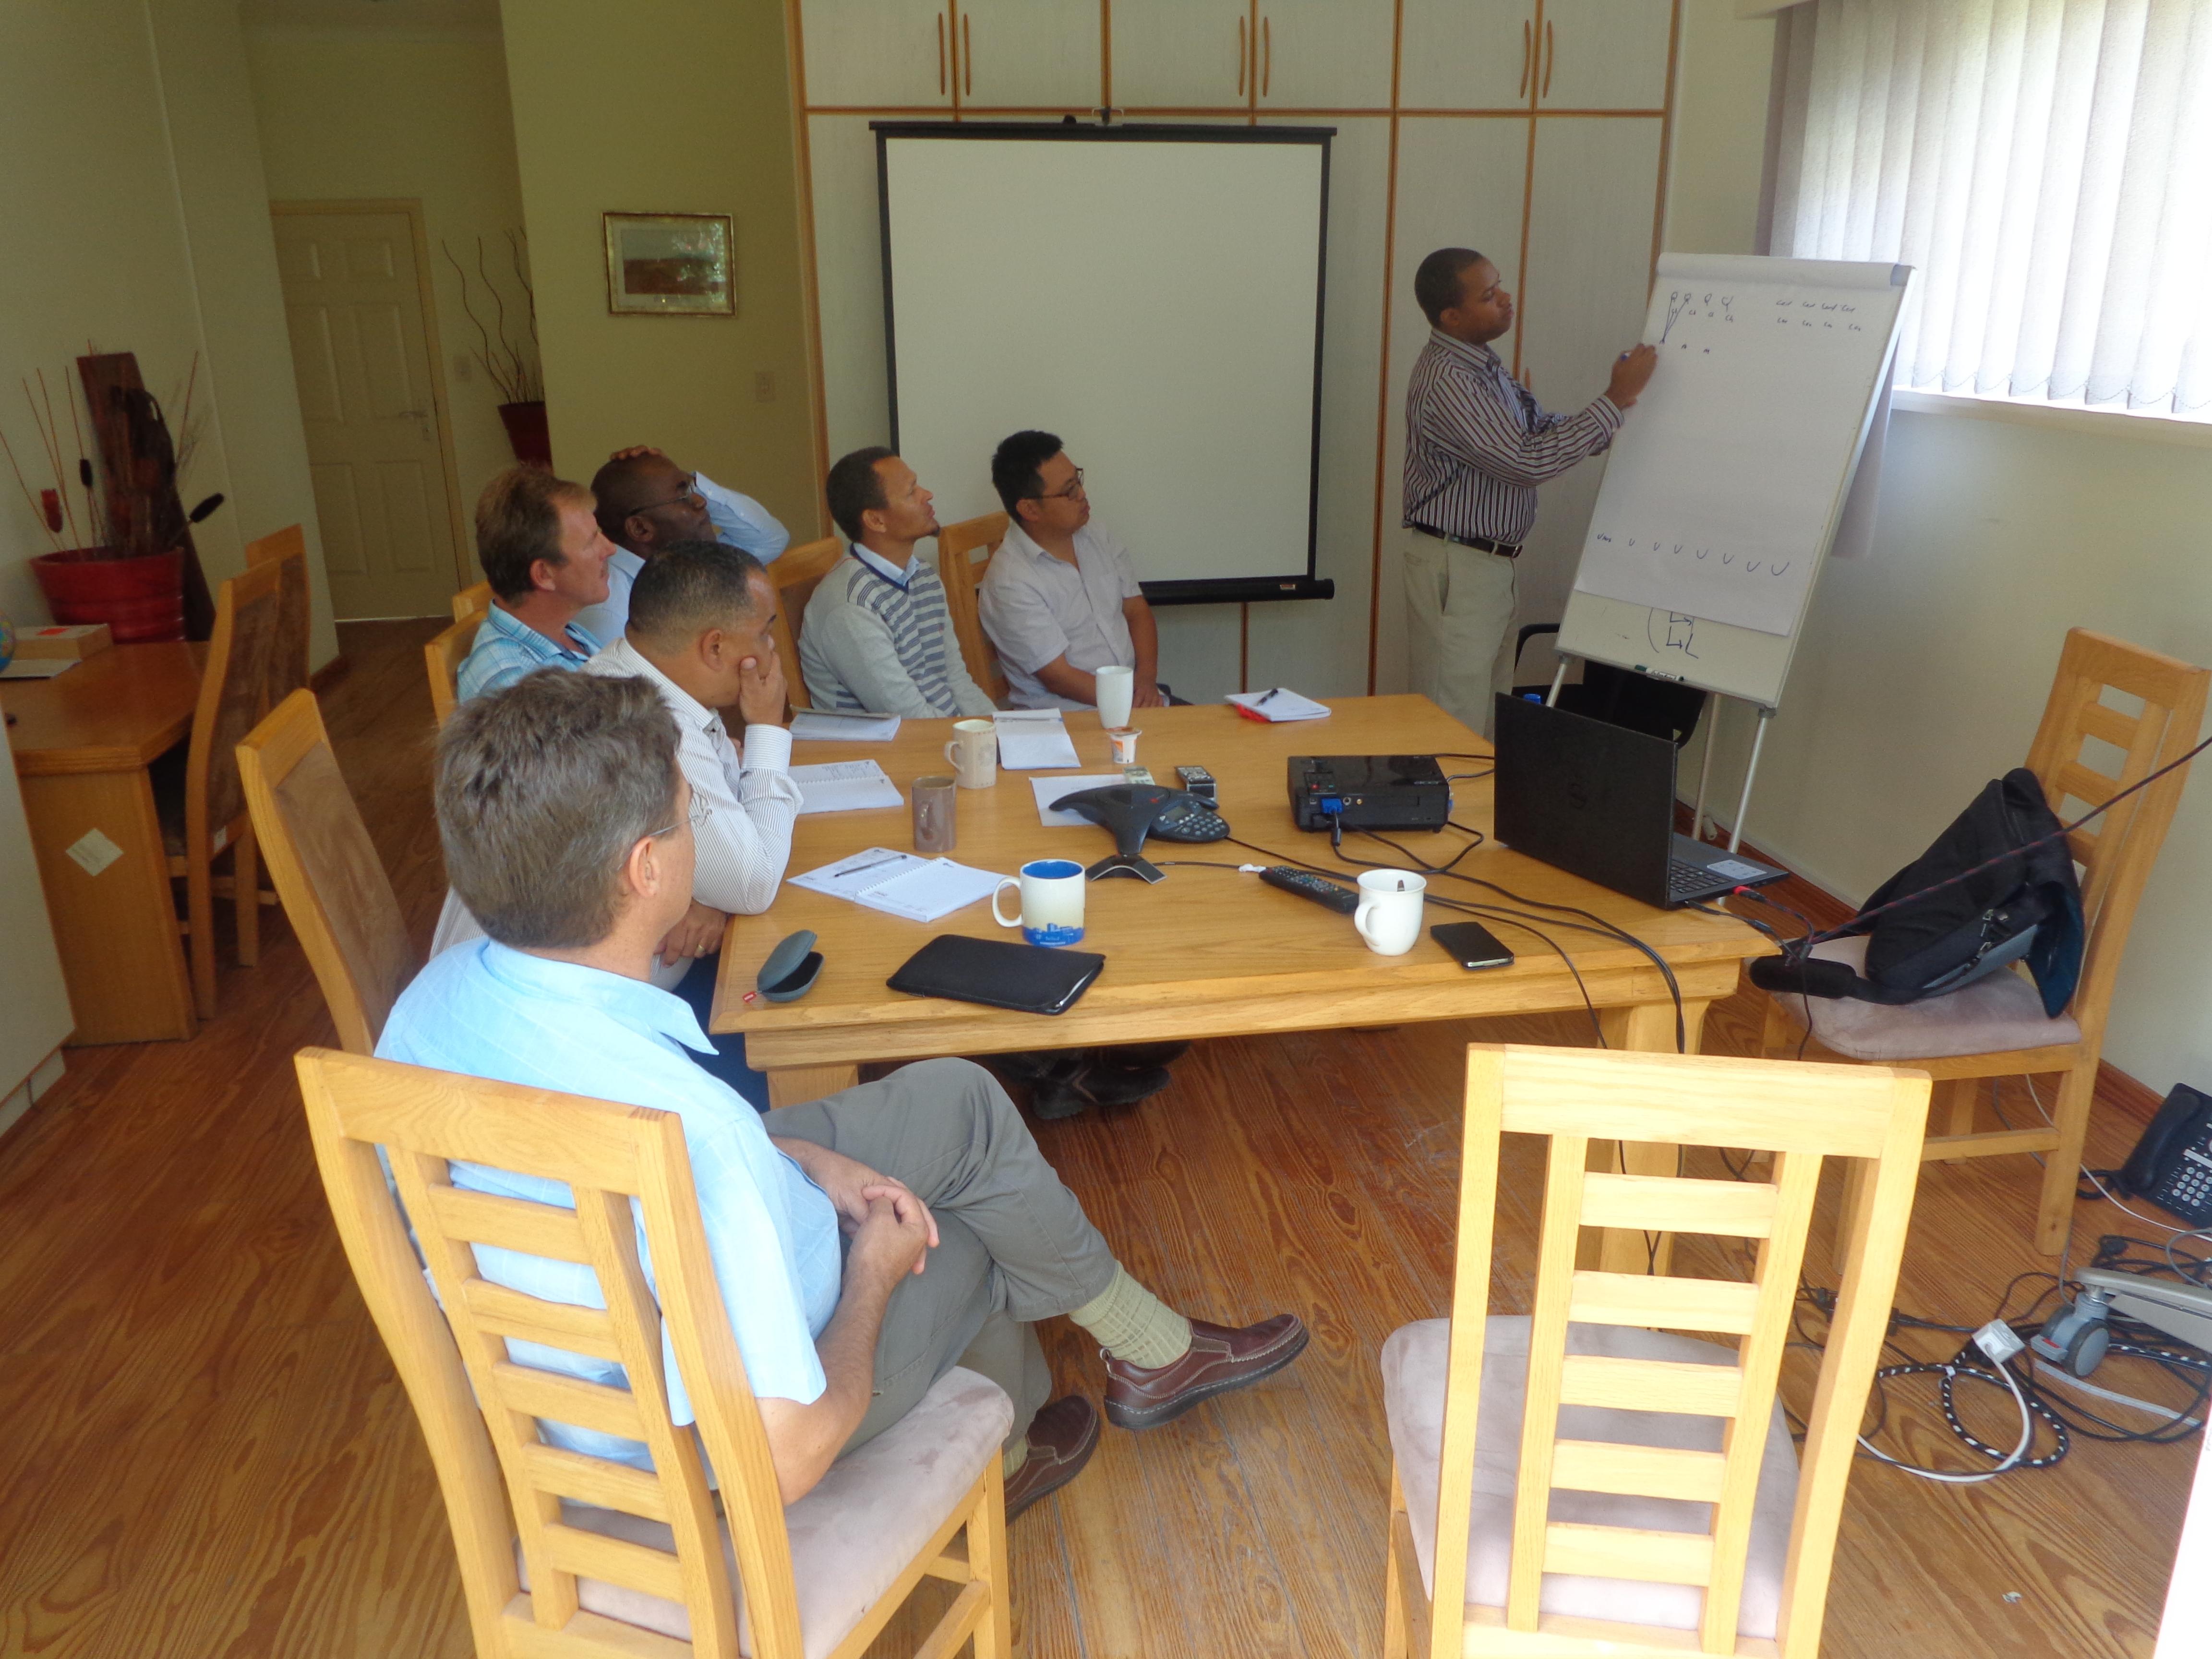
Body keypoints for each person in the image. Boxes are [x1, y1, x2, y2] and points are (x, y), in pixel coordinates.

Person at [381, 670, 1309, 1518]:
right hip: (704, 1453)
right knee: (969, 1222)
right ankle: (1010, 1453)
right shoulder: (700, 1137)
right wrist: (869, 1270)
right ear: (646, 869)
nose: (696, 833)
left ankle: (1147, 1357)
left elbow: (653, 1150)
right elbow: (784, 1457)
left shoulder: (429, 1004)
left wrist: (789, 1155)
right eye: (686, 816)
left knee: (963, 1099)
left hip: (591, 1371)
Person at [1400, 248, 1657, 737]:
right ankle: (1441, 814)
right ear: (1452, 316)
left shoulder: (1482, 365)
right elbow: (1526, 462)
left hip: (1486, 565)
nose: (1507, 299)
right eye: (1489, 295)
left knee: (1486, 718)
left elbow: (1536, 432)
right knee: (1453, 720)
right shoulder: (1451, 379)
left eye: (1500, 286)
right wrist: (1614, 400)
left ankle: (1475, 814)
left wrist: (1610, 420)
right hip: (1459, 565)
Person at [582, 540, 802, 1106]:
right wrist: (768, 729)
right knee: (799, 1021)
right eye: (764, 632)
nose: (772, 648)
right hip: (611, 1036)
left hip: (629, 981)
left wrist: (705, 895)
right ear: (715, 648)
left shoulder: (620, 673)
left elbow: (730, 839)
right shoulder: (655, 725)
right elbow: (752, 881)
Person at [798, 447, 997, 719]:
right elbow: (906, 716)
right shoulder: (851, 606)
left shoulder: (923, 576)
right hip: (887, 749)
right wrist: (978, 744)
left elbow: (957, 681)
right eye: (911, 492)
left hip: (940, 736)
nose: (927, 495)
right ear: (876, 520)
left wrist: (999, 730)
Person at [978, 431, 1168, 712]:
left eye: (1077, 480)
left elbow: (1137, 611)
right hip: (1069, 719)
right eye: (1069, 491)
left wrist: (1146, 679)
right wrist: (1131, 703)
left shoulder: (1095, 534)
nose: (1082, 494)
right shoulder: (1010, 582)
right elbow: (1059, 678)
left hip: (1134, 699)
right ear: (1029, 509)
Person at [577, 446, 791, 642]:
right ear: (641, 529)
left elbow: (769, 540)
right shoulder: (610, 614)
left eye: (691, 489)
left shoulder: (691, 561)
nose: (701, 501)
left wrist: (693, 483)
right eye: (682, 495)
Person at [456, 467, 617, 701]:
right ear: (544, 575)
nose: (610, 549)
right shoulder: (518, 690)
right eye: (591, 542)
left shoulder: (560, 633)